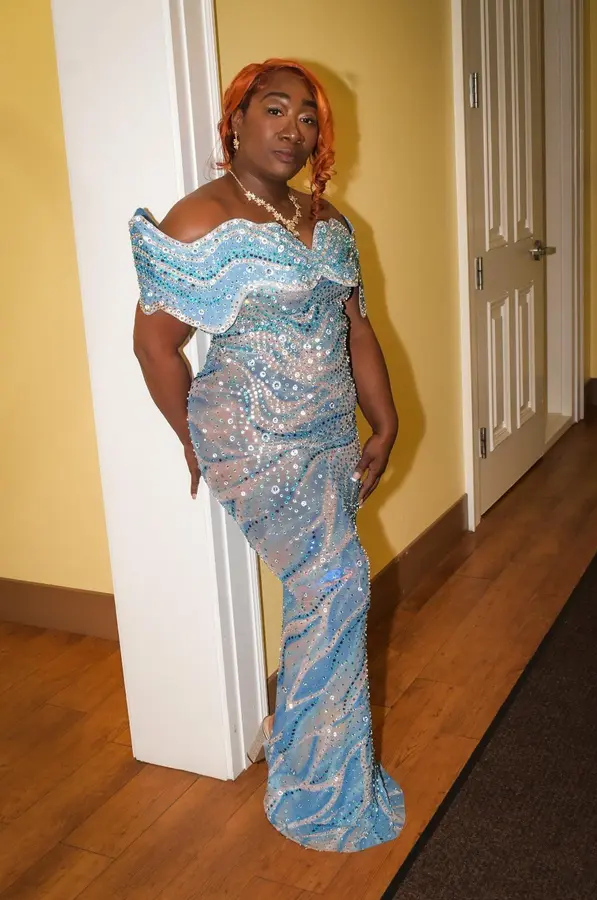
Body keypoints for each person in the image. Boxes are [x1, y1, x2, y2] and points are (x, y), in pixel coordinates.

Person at [130, 58, 405, 853]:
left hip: (328, 435)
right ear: (238, 121)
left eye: (308, 117)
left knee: (325, 598)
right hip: (252, 441)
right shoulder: (200, 219)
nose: (293, 129)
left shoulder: (329, 220)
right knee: (339, 583)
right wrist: (191, 440)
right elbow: (154, 344)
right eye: (275, 109)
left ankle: (316, 760)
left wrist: (384, 421)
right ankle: (316, 793)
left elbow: (357, 327)